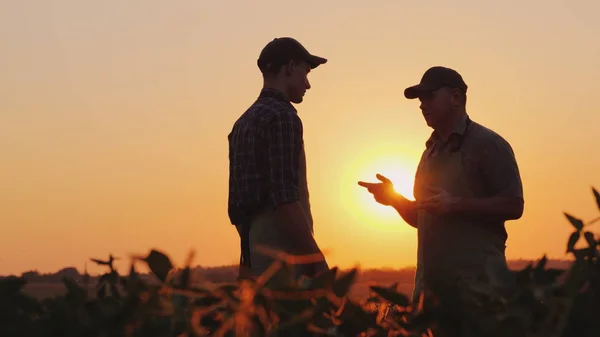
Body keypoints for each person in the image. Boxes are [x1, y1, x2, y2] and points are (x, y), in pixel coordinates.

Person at [358, 66, 524, 336]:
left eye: (430, 97)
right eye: (420, 100)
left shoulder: (489, 144)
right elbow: (423, 218)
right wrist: (394, 200)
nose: (422, 105)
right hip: (429, 299)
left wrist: (456, 204)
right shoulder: (430, 152)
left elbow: (514, 205)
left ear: (456, 97)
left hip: (477, 295)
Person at [227, 37, 329, 288]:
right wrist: (315, 259)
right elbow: (284, 199)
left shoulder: (242, 123)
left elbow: (236, 207)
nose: (307, 84)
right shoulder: (283, 117)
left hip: (252, 255)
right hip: (285, 259)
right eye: (305, 73)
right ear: (290, 68)